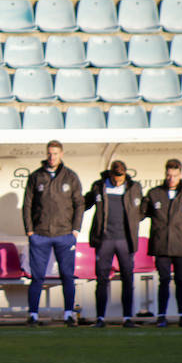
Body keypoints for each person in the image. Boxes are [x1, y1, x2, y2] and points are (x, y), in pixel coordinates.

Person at [22, 140, 84, 327]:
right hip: (40, 235)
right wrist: (30, 231)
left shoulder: (70, 177)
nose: (52, 157)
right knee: (37, 276)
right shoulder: (36, 176)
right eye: (49, 153)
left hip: (65, 235)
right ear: (46, 154)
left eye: (55, 153)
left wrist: (75, 230)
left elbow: (79, 204)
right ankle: (33, 314)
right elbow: (27, 204)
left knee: (67, 275)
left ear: (61, 154)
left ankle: (68, 314)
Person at [142, 159, 182, 328]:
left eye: (175, 175)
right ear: (165, 174)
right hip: (161, 246)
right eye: (169, 175)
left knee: (181, 281)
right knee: (164, 280)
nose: (171, 178)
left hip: (181, 246)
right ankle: (161, 316)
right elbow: (141, 213)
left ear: (180, 175)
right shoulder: (154, 194)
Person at [84, 160, 143, 328]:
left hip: (125, 240)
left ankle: (127, 318)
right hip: (105, 240)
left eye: (121, 176)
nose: (118, 180)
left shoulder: (134, 187)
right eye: (115, 176)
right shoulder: (99, 186)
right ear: (110, 174)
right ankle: (100, 318)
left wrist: (135, 221)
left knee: (127, 279)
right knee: (102, 279)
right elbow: (84, 204)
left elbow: (142, 208)